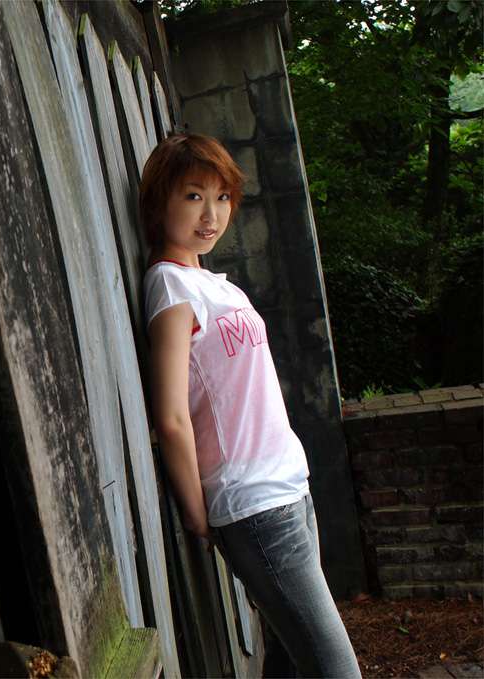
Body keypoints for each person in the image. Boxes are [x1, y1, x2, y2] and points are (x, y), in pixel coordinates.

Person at [140, 133, 360, 678]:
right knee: (337, 669)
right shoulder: (171, 287)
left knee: (290, 661)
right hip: (254, 506)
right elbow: (171, 416)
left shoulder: (218, 286)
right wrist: (198, 514)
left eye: (222, 198)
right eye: (194, 196)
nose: (211, 215)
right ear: (159, 202)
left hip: (290, 488)